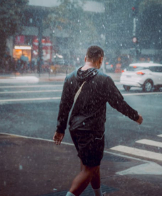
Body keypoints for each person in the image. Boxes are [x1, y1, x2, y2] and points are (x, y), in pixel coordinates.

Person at [53, 45, 143, 196]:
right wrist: (135, 116)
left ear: (85, 58)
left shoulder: (70, 78)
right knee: (89, 170)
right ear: (100, 60)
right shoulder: (103, 80)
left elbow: (64, 106)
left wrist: (60, 129)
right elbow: (118, 103)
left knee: (92, 166)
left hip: (75, 129)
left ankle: (98, 194)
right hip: (92, 131)